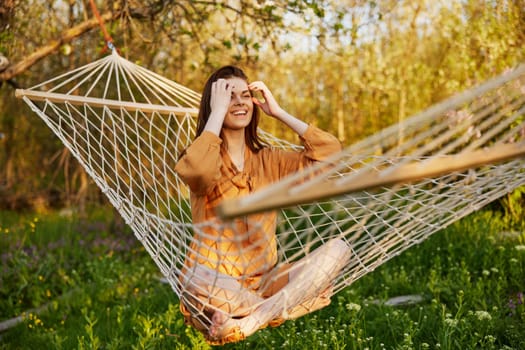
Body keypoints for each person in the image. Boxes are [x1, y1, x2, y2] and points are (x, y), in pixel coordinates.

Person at [175, 65, 351, 344]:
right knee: (193, 278)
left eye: (245, 95)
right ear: (215, 104)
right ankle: (267, 310)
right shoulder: (203, 155)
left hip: (265, 286)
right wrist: (217, 112)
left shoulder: (272, 161)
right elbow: (196, 170)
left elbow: (329, 155)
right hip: (216, 284)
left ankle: (249, 320)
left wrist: (279, 113)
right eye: (229, 96)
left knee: (339, 249)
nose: (240, 102)